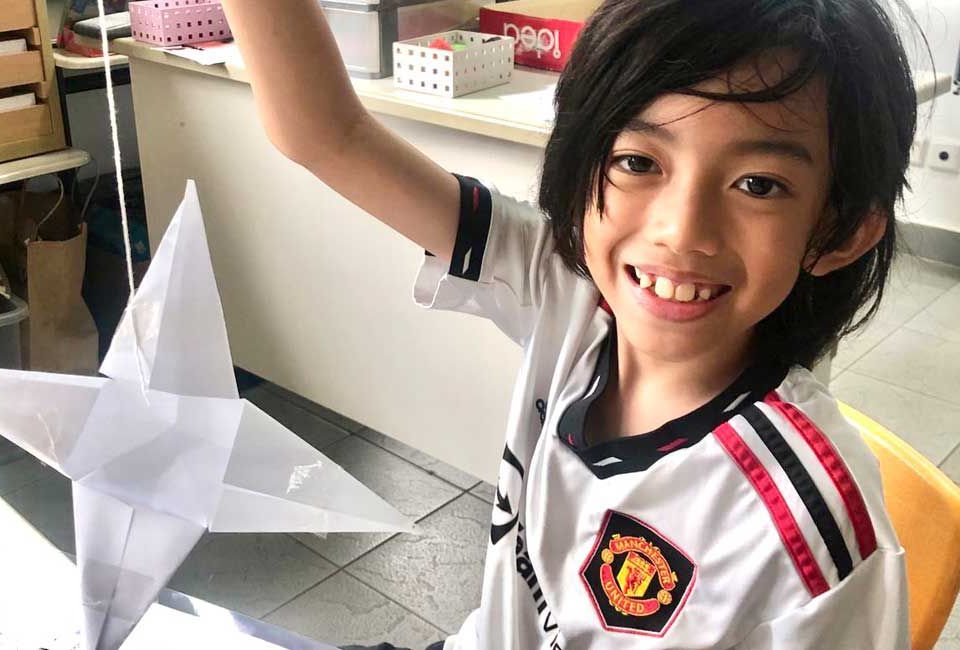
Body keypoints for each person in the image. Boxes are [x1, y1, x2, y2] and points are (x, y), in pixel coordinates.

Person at [220, 0, 929, 647]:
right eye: (637, 161)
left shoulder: (810, 527)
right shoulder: (570, 290)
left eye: (759, 185)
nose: (681, 232)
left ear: (836, 234)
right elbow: (327, 132)